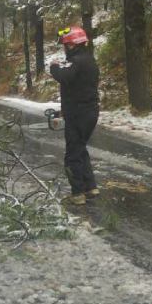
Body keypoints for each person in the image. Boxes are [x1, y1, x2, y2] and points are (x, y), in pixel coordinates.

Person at [49, 26, 100, 205]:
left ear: (72, 45)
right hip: (88, 111)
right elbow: (76, 87)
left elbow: (64, 76)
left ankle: (77, 193)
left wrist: (54, 67)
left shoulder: (77, 61)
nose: (64, 48)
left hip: (79, 113)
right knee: (80, 148)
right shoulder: (89, 60)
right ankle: (91, 187)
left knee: (72, 155)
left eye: (66, 45)